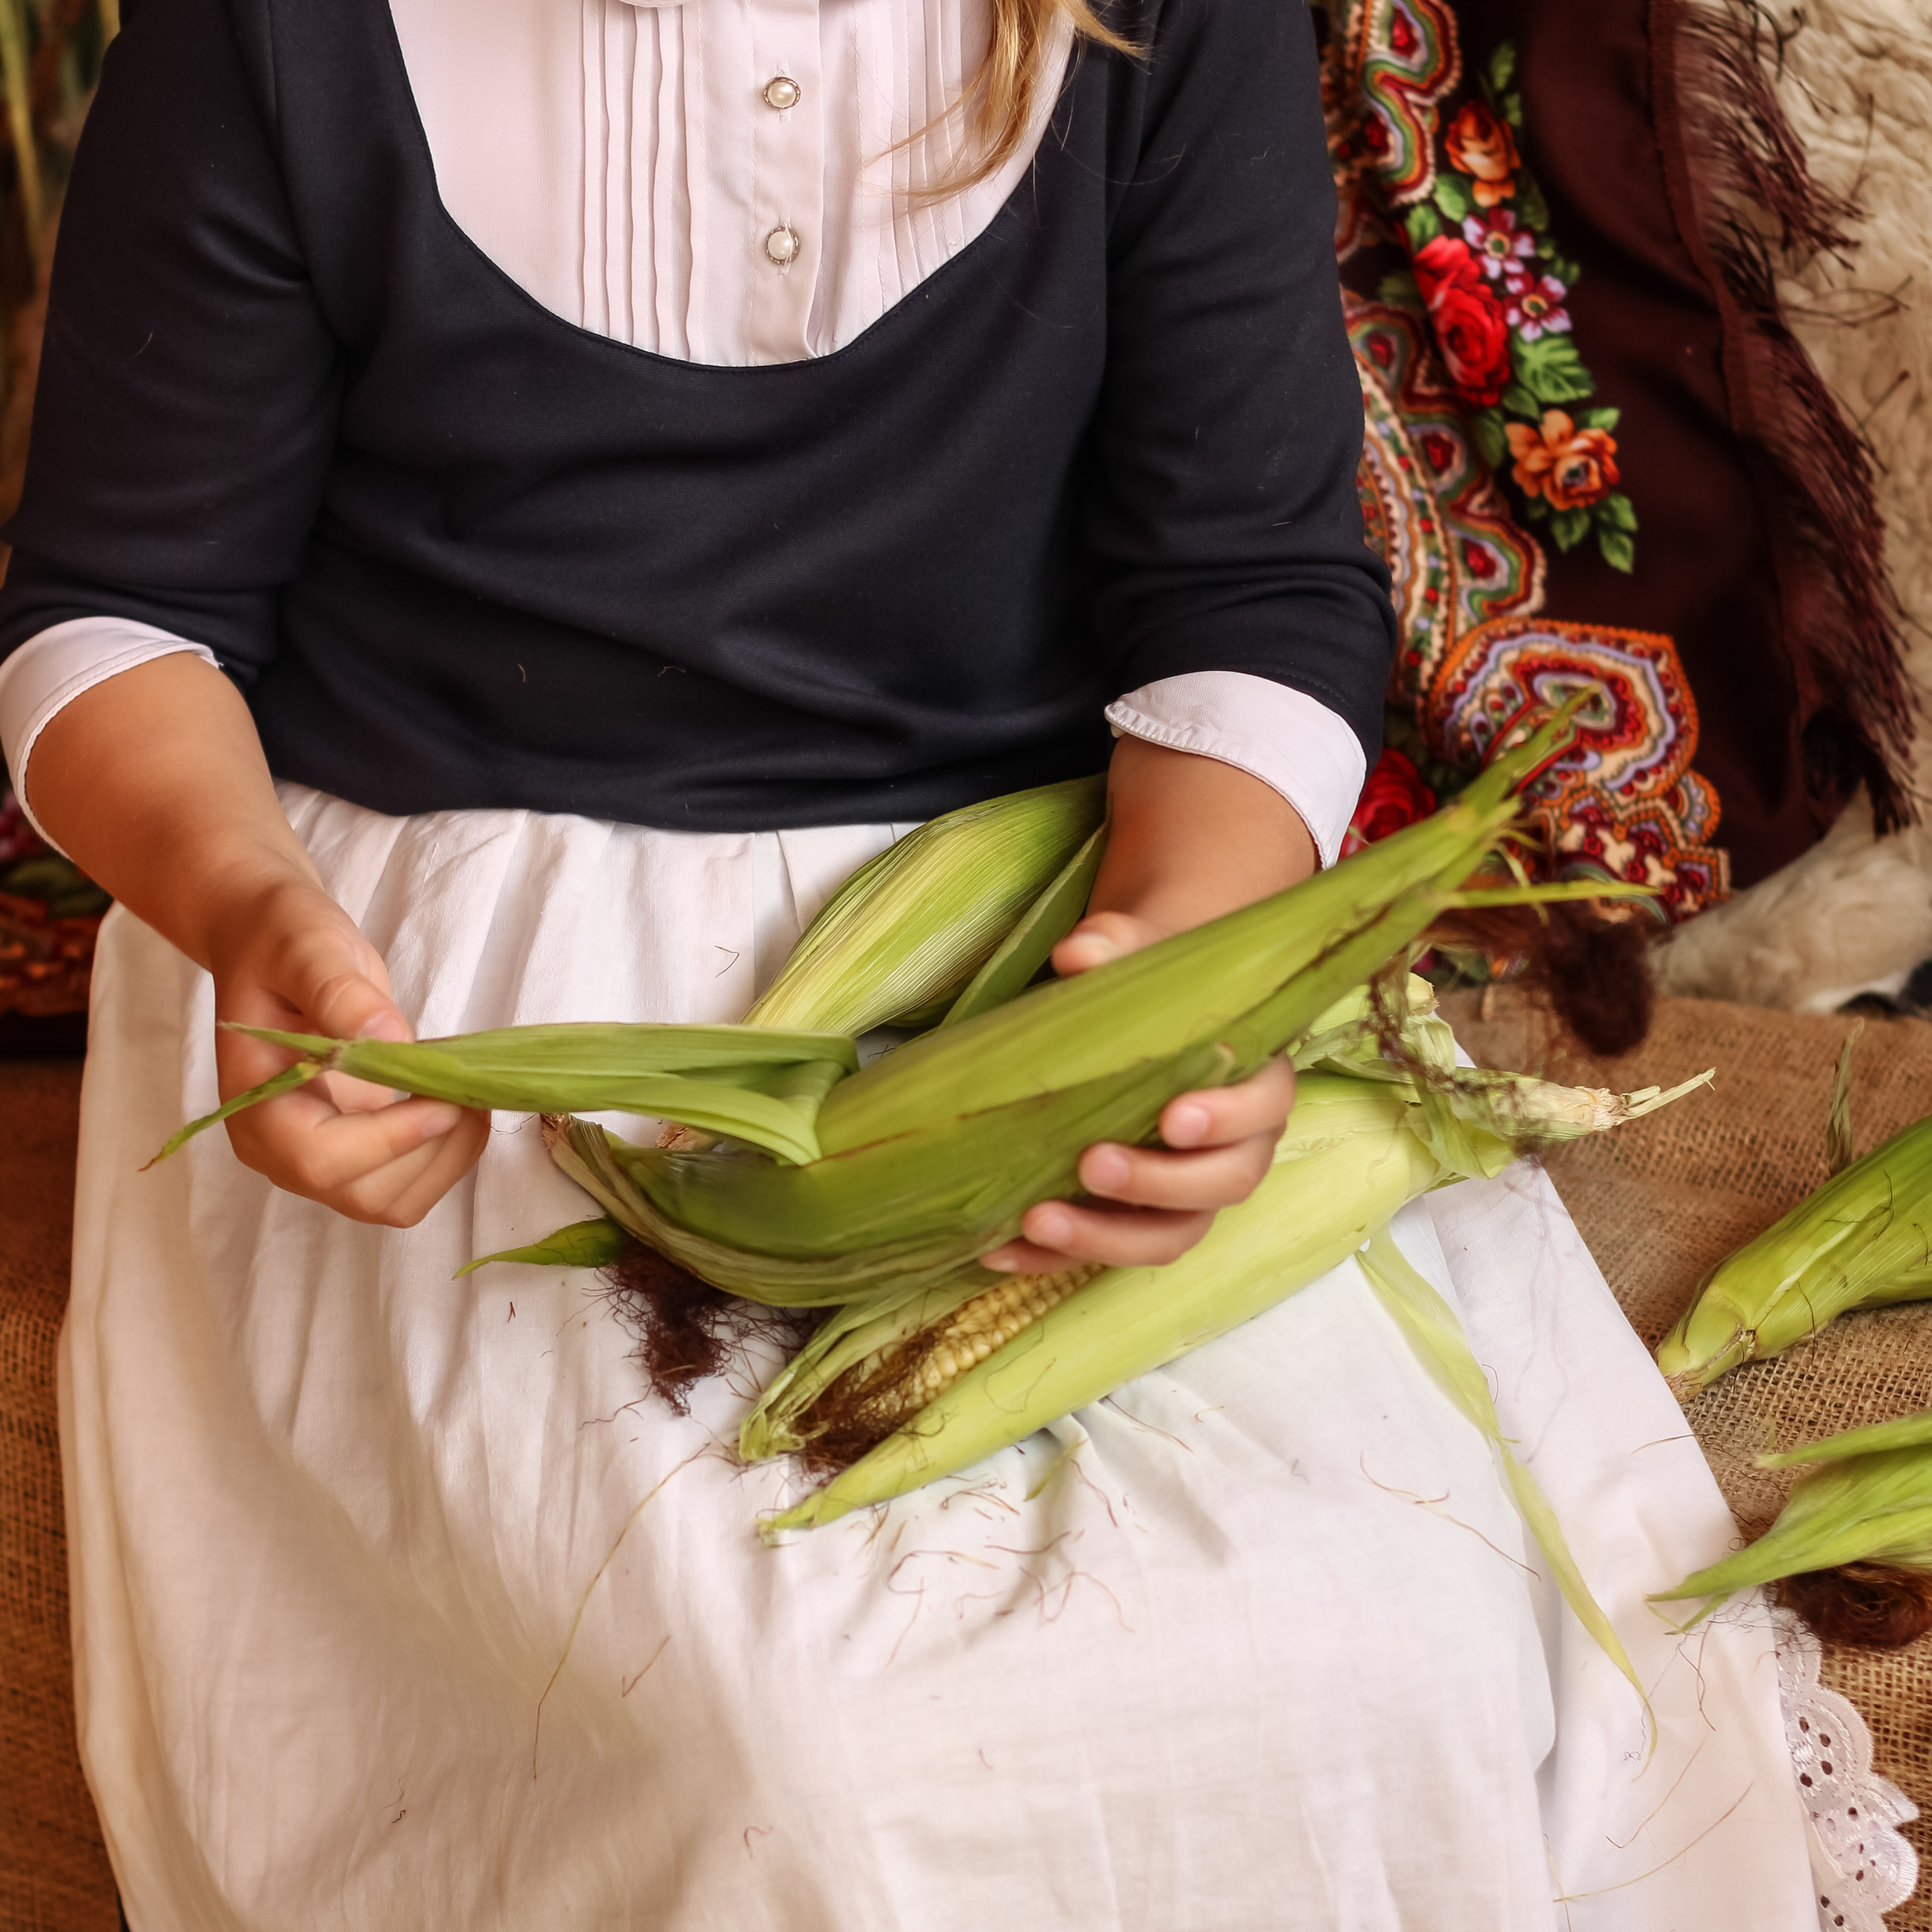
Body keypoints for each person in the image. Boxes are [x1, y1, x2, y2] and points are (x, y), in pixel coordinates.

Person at [0, 0, 1823, 1922]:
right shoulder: (277, 35)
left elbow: (1248, 587)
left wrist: (1173, 986)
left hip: (1009, 940)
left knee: (1368, 1640)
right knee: (782, 1752)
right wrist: (253, 916)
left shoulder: (1163, 27)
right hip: (463, 987)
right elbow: (118, 618)